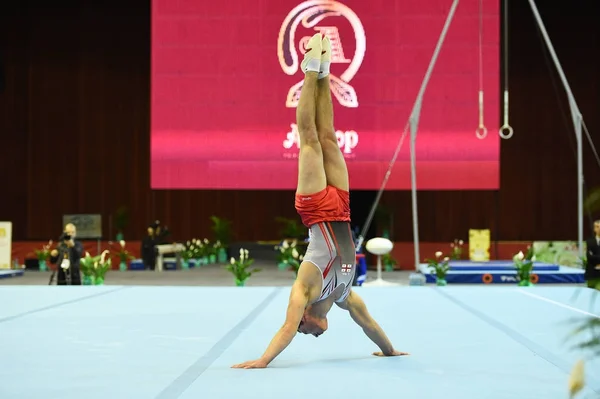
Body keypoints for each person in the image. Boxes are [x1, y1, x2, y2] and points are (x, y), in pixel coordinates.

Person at [232, 33, 407, 369]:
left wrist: (263, 360)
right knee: (329, 135)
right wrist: (389, 351)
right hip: (341, 206)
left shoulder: (303, 291)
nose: (307, 333)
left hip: (313, 208)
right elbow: (368, 324)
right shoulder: (344, 296)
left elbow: (286, 326)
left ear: (305, 317)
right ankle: (325, 73)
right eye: (306, 334)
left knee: (310, 139)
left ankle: (310, 71)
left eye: (304, 331)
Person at [585, 220, 600, 289]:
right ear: (594, 229)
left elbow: (592, 256)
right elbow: (589, 257)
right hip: (591, 273)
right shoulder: (589, 242)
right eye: (597, 227)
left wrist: (595, 256)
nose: (599, 228)